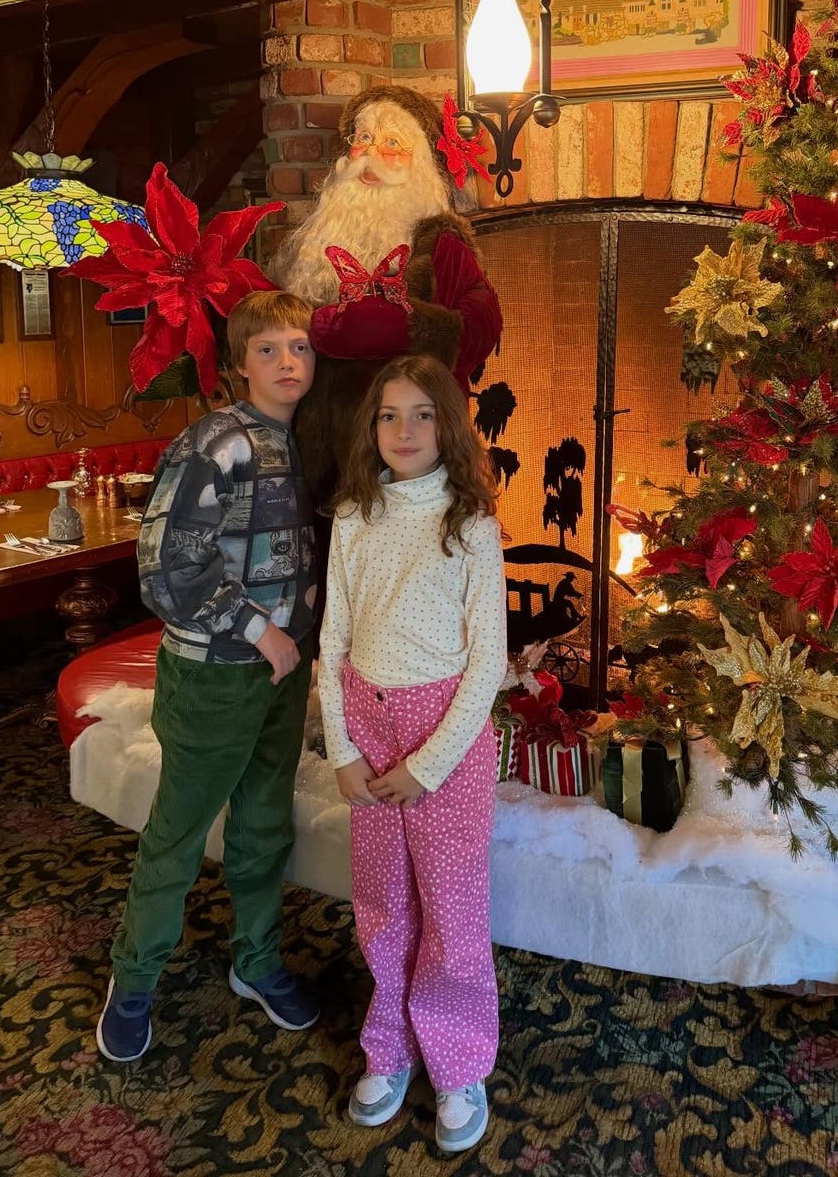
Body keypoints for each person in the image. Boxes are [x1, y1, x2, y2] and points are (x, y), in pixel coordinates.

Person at [97, 290, 320, 1063]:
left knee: (264, 826)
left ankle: (256, 961)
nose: (288, 361)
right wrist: (259, 630)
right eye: (268, 349)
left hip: (282, 675)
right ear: (238, 365)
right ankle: (133, 980)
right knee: (178, 835)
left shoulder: (304, 442)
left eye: (300, 346)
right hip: (215, 676)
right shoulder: (215, 443)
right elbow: (166, 566)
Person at [318, 353, 506, 1157]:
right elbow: (332, 641)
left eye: (422, 414)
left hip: (445, 741)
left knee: (450, 910)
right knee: (384, 903)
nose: (404, 430)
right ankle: (389, 1045)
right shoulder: (353, 517)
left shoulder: (471, 525)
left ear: (448, 426)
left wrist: (427, 766)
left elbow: (488, 661)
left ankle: (457, 1064)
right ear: (371, 427)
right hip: (369, 726)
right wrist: (342, 748)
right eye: (389, 414)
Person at [268, 84, 502, 514]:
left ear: (421, 164)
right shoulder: (313, 249)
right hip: (323, 464)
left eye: (392, 142)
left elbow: (479, 325)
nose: (372, 154)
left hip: (413, 462)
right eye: (363, 138)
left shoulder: (441, 245)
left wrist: (403, 327)